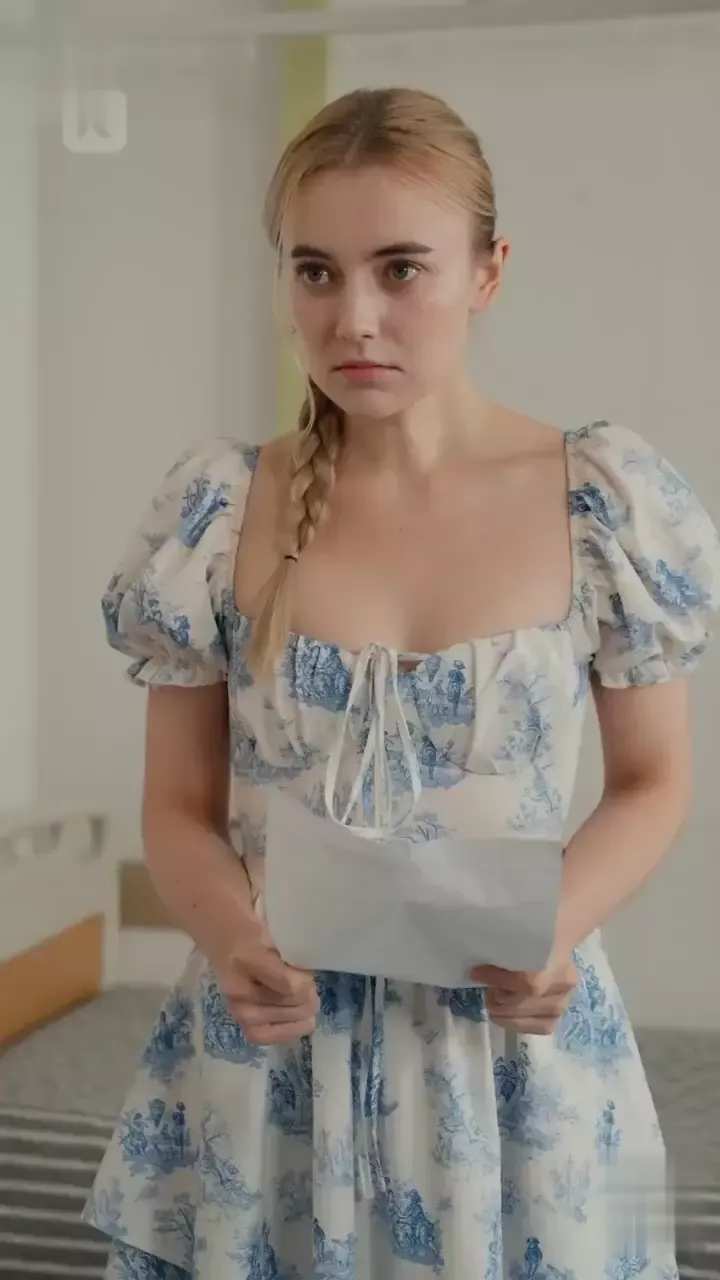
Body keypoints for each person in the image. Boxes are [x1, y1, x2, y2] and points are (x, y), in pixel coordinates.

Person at [84, 86, 719, 1279]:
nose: (354, 317)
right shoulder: (216, 507)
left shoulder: (600, 499)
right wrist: (232, 939)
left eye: (401, 268)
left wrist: (558, 929)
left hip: (514, 1053)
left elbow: (654, 779)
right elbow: (175, 805)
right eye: (315, 271)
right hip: (270, 1057)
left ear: (488, 271)